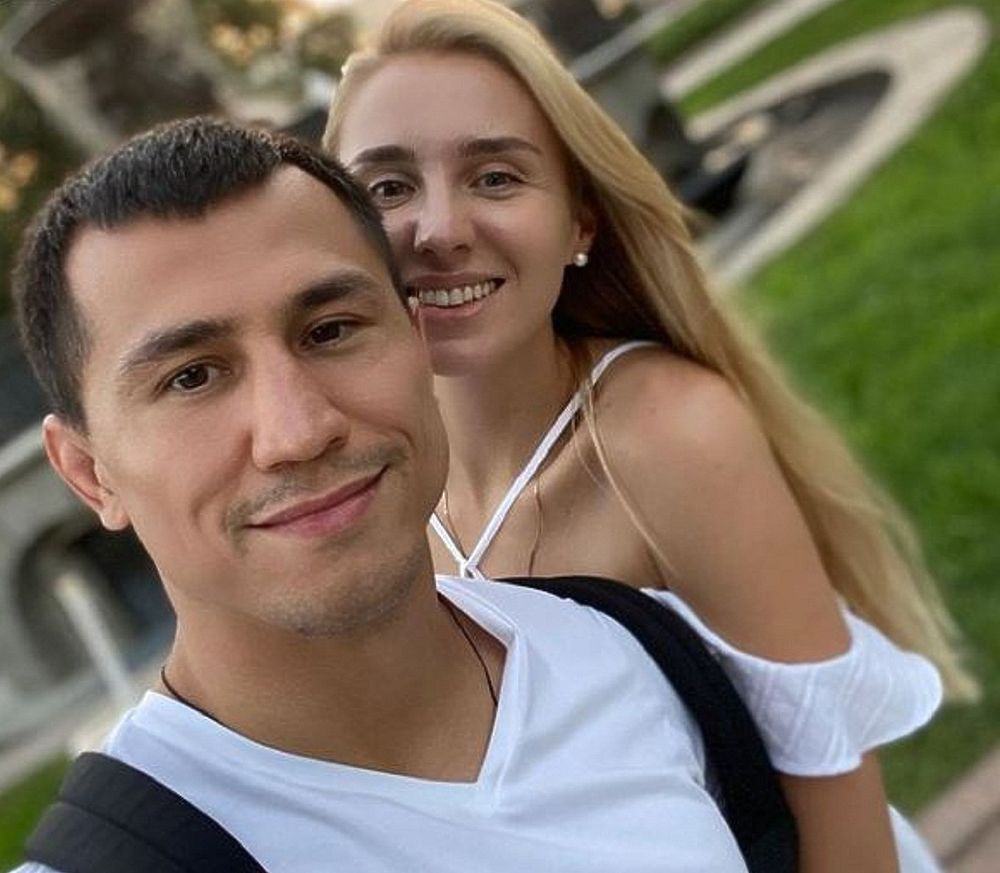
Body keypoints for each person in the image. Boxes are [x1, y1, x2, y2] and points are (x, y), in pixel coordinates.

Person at [10, 118, 939, 873]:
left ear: (418, 340)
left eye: (331, 329)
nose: (298, 430)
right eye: (191, 377)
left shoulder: (634, 653)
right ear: (90, 472)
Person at [324, 0, 975, 868]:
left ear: (580, 222)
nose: (439, 229)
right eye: (388, 188)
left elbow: (839, 804)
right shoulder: (357, 490)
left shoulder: (665, 435)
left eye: (496, 177)